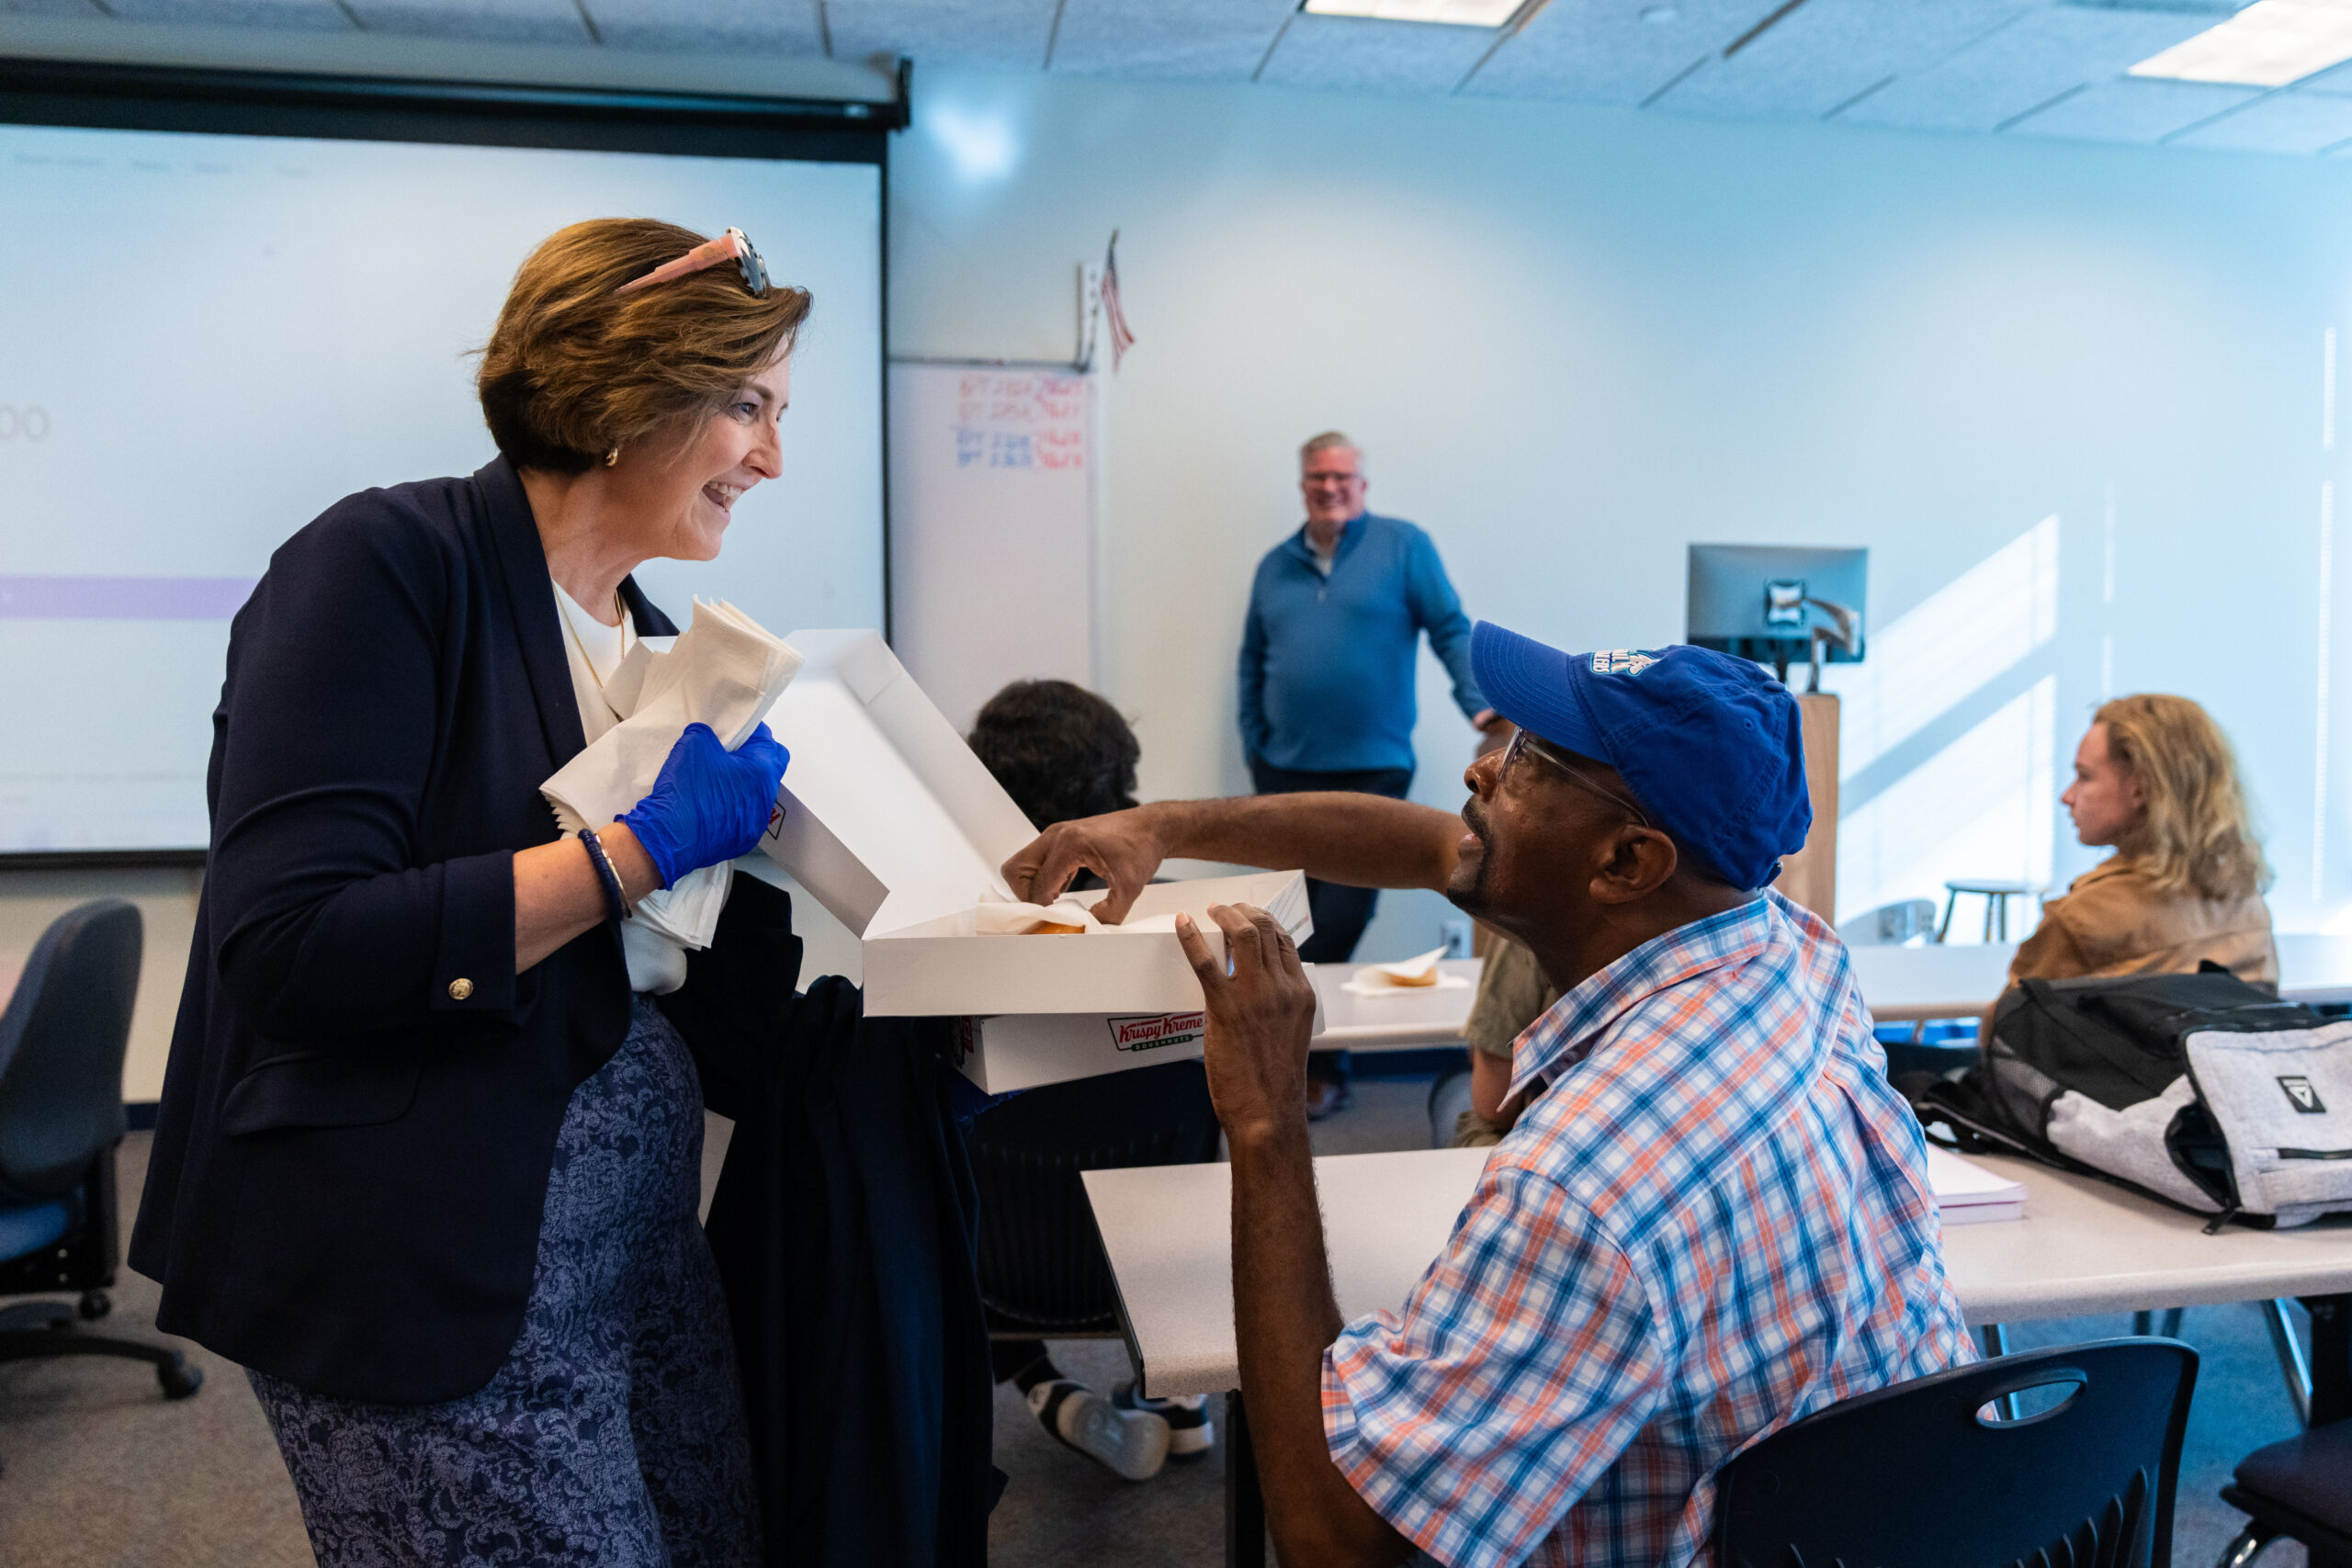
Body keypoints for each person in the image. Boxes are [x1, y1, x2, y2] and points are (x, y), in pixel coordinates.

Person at [1007, 626, 1974, 1567]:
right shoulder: (1791, 951)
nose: (1479, 774)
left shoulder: (1588, 1184)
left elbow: (1336, 1543)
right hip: (1902, 1519)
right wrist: (1165, 828)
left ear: (1626, 862)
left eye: (1528, 762)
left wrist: (1266, 1119)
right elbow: (1430, 846)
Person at [130, 220, 805, 1566]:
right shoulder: (385, 566)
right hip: (417, 1255)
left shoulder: (653, 644)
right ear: (631, 389)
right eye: (747, 407)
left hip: (626, 1260)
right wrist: (632, 852)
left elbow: (655, 974)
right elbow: (292, 941)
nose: (773, 459)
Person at [961, 680, 1216, 1481]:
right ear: (1121, 795)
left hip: (1001, 1274)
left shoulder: (938, 946)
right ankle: (1181, 1394)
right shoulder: (1195, 937)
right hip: (1157, 1275)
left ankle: (1038, 1380)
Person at [1239, 431, 1498, 1115]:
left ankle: (1311, 1067)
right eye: (1318, 477)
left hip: (1374, 771)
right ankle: (1313, 1068)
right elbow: (1251, 660)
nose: (1331, 488)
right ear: (1303, 484)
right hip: (1286, 773)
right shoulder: (1275, 566)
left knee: (1335, 923)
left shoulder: (1403, 547)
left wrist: (1480, 705)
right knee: (1291, 926)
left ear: (1362, 483)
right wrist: (1254, 746)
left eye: (1343, 477)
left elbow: (1449, 627)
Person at [2009, 694, 2277, 987]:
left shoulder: (2083, 918)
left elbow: (2004, 1026)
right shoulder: (2248, 902)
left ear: (2141, 787)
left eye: (2085, 776)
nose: (2067, 796)